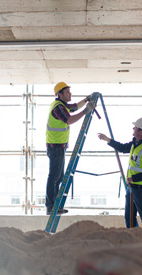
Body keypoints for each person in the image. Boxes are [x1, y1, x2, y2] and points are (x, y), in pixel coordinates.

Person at [97, 117, 142, 230]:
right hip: (132, 187)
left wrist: (133, 178)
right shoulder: (135, 143)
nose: (133, 128)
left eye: (136, 127)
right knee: (129, 217)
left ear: (141, 132)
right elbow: (123, 148)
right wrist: (107, 139)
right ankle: (134, 241)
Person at [45, 82, 95, 215]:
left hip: (58, 147)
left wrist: (86, 99)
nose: (70, 94)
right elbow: (69, 120)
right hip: (55, 147)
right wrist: (86, 111)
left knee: (59, 177)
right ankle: (50, 206)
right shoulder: (58, 108)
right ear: (59, 94)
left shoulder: (61, 106)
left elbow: (73, 108)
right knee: (54, 177)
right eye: (67, 92)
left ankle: (54, 206)